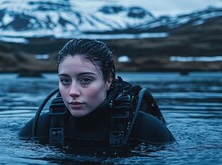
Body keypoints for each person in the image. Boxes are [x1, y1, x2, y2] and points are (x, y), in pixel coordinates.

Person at [19, 39, 175, 148]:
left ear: (108, 80)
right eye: (65, 81)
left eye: (86, 80)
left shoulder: (145, 129)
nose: (73, 92)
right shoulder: (41, 127)